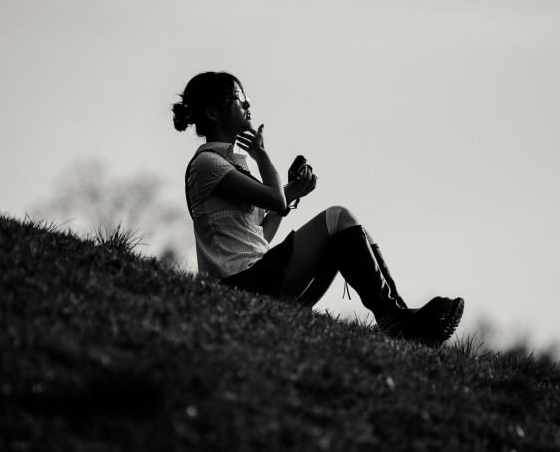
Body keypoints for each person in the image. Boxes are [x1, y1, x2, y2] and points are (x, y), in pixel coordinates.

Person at [173, 71, 462, 346]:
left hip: (258, 279)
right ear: (212, 112)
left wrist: (293, 192)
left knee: (341, 230)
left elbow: (258, 236)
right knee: (337, 216)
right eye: (238, 98)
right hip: (238, 286)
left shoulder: (231, 164)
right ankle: (395, 319)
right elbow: (274, 199)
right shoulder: (208, 163)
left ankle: (399, 315)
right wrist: (262, 157)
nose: (248, 103)